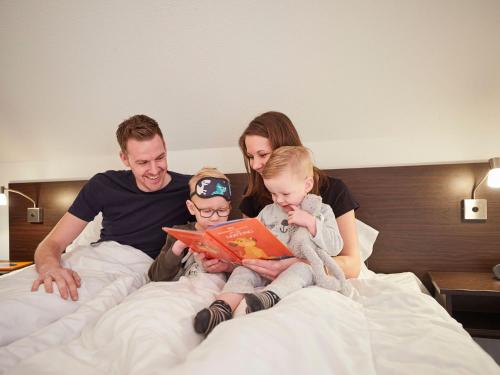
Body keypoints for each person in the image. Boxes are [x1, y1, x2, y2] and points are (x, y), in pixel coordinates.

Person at [31, 114, 193, 301]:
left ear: (165, 147)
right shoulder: (103, 184)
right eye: (143, 162)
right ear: (124, 158)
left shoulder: (190, 189)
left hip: (138, 268)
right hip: (92, 259)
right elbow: (52, 243)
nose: (155, 170)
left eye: (160, 158)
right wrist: (50, 267)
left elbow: (214, 227)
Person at [193, 146, 346, 336]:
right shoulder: (267, 212)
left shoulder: (322, 212)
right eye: (273, 194)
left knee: (301, 269)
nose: (279, 200)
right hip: (266, 265)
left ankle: (269, 297)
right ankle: (222, 307)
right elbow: (251, 241)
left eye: (285, 194)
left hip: (299, 268)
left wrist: (312, 223)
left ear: (306, 185)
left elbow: (336, 247)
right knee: (243, 270)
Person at [237, 111, 361, 280]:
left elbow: (353, 266)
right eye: (250, 157)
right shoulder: (253, 195)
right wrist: (227, 262)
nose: (255, 165)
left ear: (285, 150)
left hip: (314, 278)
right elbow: (248, 251)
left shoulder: (333, 190)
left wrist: (297, 265)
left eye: (263, 154)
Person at [148, 167, 233, 282]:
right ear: (191, 208)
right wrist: (177, 247)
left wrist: (228, 267)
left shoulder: (235, 233)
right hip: (184, 288)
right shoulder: (179, 233)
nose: (215, 218)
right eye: (207, 211)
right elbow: (156, 277)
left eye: (222, 210)